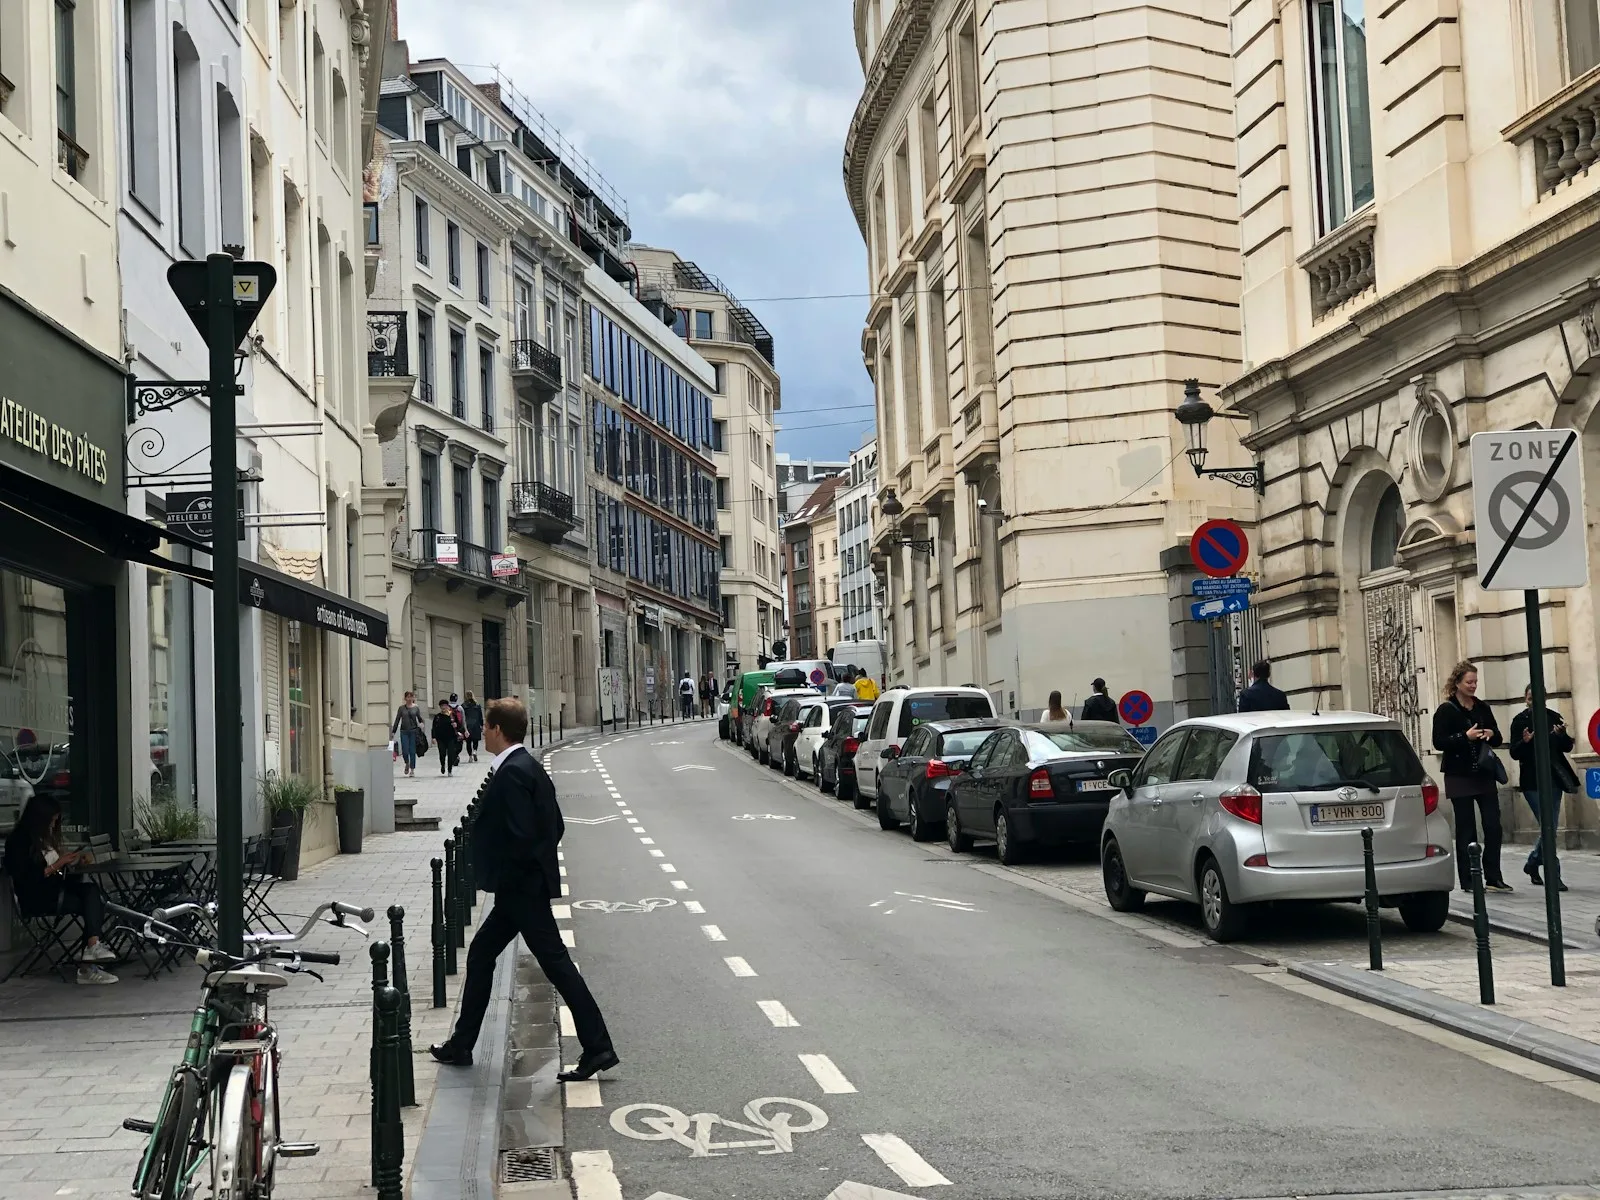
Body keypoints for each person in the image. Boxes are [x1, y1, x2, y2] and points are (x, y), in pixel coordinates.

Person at [430, 698, 618, 1080]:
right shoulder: (524, 766)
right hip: (521, 889)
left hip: (521, 890)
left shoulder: (514, 772)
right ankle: (462, 1045)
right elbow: (554, 826)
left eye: (487, 727)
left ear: (498, 730)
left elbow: (521, 835)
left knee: (556, 965)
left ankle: (598, 1047)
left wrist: (511, 878)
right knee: (484, 955)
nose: (482, 731)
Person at [1, 796, 119, 984]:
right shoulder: (19, 841)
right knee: (93, 904)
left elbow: (56, 870)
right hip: (36, 897)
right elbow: (28, 877)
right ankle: (89, 963)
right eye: (52, 820)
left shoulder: (43, 839)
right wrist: (59, 863)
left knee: (93, 894)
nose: (54, 824)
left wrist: (73, 862)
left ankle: (92, 950)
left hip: (56, 890)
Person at [1432, 660, 1511, 893]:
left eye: (1475, 682)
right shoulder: (1446, 710)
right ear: (1457, 682)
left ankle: (1493, 876)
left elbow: (1497, 738)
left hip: (1484, 774)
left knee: (1493, 826)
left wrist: (1490, 733)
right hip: (1459, 775)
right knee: (1466, 828)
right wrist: (1464, 736)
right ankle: (1468, 880)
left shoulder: (1482, 707)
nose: (1473, 686)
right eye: (1469, 682)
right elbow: (1438, 742)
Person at [1509, 684, 1576, 889]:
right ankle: (1553, 874)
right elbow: (1514, 752)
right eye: (1530, 698)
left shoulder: (1554, 717)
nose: (1534, 702)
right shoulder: (1520, 721)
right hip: (1532, 782)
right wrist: (1526, 741)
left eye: (1537, 698)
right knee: (1548, 827)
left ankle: (1532, 863)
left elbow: (1566, 747)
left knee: (1550, 828)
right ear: (1525, 699)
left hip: (1553, 779)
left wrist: (1562, 735)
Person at [390, 691, 424, 777]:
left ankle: (412, 769)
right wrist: (393, 731)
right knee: (405, 750)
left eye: (411, 697)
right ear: (405, 698)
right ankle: (407, 763)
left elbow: (420, 718)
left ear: (413, 698)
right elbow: (397, 720)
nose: (409, 699)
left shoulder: (416, 708)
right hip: (404, 731)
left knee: (412, 751)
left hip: (413, 731)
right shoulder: (401, 708)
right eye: (407, 697)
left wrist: (421, 725)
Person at [432, 699, 463, 775]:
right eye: (442, 706)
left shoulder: (452, 715)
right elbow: (434, 728)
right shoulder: (437, 717)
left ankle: (449, 770)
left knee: (451, 754)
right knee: (442, 753)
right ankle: (442, 765)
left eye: (445, 706)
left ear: (447, 706)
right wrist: (433, 737)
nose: (443, 707)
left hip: (451, 738)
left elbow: (459, 725)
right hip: (441, 738)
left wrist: (456, 725)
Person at [463, 692, 484, 763]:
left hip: (467, 725)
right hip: (476, 724)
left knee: (468, 742)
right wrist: (481, 725)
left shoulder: (463, 705)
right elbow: (480, 716)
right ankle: (475, 751)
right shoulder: (477, 705)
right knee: (475, 740)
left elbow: (462, 717)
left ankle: (470, 757)